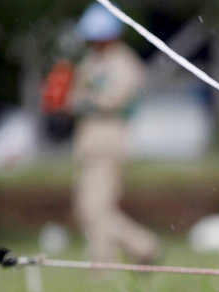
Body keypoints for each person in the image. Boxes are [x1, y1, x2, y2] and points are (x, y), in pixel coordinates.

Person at [69, 3, 159, 264]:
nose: (95, 43)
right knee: (89, 210)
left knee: (96, 209)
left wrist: (87, 100)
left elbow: (115, 98)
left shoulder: (125, 63)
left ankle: (105, 263)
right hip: (87, 144)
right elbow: (77, 95)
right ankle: (143, 247)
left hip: (110, 144)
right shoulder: (89, 63)